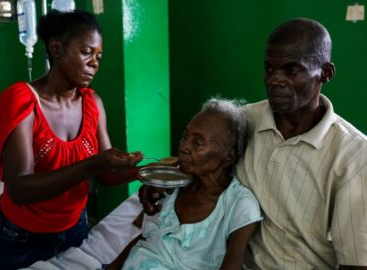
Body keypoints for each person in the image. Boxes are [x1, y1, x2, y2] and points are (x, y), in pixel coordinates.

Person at [140, 18, 367, 269]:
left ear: (326, 73)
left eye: (291, 70)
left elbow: (356, 262)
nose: (274, 81)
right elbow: (202, 166)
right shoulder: (242, 121)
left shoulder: (354, 156)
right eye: (269, 69)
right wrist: (166, 185)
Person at [0, 10, 143, 270]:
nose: (94, 63)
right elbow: (19, 189)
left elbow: (107, 176)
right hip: (22, 238)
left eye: (98, 56)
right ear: (56, 48)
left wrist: (147, 171)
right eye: (86, 52)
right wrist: (93, 165)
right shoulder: (23, 101)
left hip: (76, 230)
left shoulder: (92, 104)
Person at [107, 98, 262, 270]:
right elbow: (147, 239)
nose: (184, 147)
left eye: (198, 142)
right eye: (185, 136)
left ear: (228, 157)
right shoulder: (172, 185)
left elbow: (232, 265)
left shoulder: (239, 205)